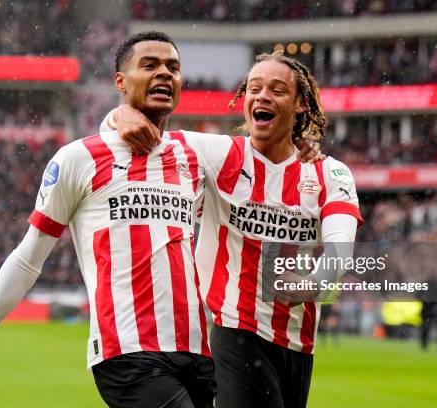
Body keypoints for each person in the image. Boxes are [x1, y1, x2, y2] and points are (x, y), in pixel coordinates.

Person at [0, 31, 320, 408]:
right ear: (120, 82)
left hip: (198, 354)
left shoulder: (196, 155)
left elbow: (268, 147)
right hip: (126, 351)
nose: (164, 74)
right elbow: (27, 258)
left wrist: (303, 143)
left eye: (173, 67)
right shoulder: (78, 159)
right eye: (149, 65)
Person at [104, 50, 363, 407]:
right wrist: (120, 113)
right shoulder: (218, 154)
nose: (262, 96)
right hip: (235, 331)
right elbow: (132, 135)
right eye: (254, 88)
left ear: (301, 104)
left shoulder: (330, 174)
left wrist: (316, 285)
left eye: (277, 90)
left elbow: (340, 249)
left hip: (299, 343)